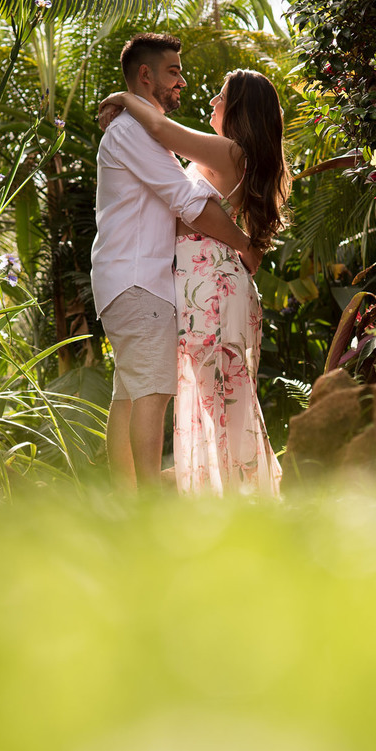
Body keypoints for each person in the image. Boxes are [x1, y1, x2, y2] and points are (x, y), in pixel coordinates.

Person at [99, 68, 289, 496]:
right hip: (210, 282)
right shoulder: (234, 155)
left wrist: (126, 98)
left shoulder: (228, 150)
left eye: (221, 96)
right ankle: (233, 497)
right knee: (219, 399)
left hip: (210, 286)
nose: (212, 102)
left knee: (218, 401)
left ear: (238, 108)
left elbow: (161, 130)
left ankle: (234, 502)